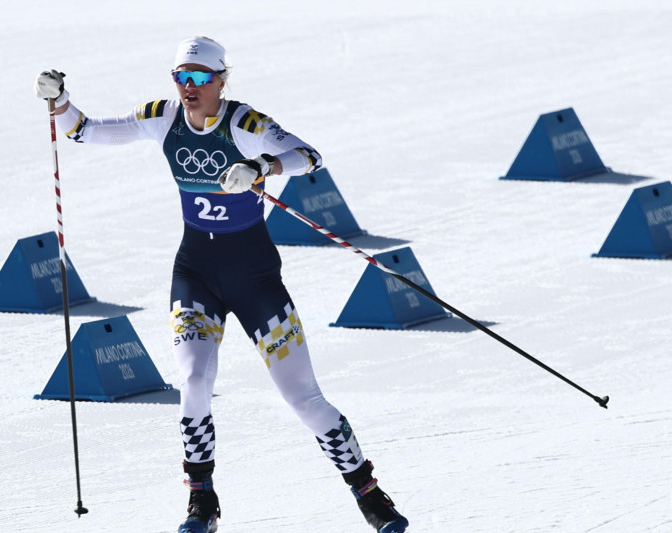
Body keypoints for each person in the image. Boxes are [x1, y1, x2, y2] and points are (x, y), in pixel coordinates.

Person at [35, 36, 409, 533]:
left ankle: (369, 494)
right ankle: (201, 501)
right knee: (192, 383)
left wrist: (261, 167)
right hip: (195, 274)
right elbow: (84, 131)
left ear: (221, 80)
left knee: (303, 398)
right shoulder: (163, 115)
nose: (189, 88)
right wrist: (58, 102)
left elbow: (309, 156)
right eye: (180, 77)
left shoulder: (245, 123)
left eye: (199, 78)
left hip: (255, 278)